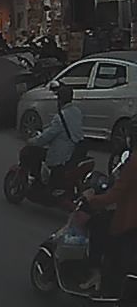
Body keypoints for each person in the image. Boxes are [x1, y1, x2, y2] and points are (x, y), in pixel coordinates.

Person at [82, 153, 137, 297]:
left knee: (97, 223)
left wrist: (93, 199)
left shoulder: (134, 163)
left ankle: (96, 274)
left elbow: (116, 194)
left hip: (129, 221)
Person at [28, 84, 85, 189]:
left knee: (31, 152)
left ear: (60, 100)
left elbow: (47, 136)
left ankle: (37, 181)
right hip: (74, 151)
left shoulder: (60, 117)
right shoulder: (77, 112)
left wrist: (33, 141)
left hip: (61, 155)